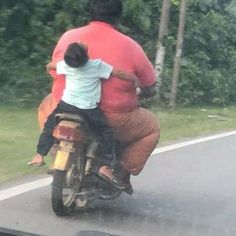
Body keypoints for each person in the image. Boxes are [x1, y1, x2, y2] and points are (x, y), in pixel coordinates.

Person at [39, 0, 160, 192]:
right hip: (115, 117)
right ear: (118, 18)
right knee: (151, 128)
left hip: (64, 106)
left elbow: (55, 72)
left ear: (90, 14)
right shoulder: (130, 46)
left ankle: (55, 150)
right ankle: (119, 171)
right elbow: (149, 83)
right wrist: (144, 90)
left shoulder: (68, 37)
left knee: (47, 105)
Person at [28, 42, 139, 190]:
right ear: (86, 55)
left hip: (66, 105)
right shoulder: (96, 66)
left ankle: (39, 155)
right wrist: (134, 79)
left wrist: (51, 66)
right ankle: (105, 165)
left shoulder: (67, 66)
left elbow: (50, 66)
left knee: (49, 126)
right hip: (88, 110)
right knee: (105, 133)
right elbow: (118, 73)